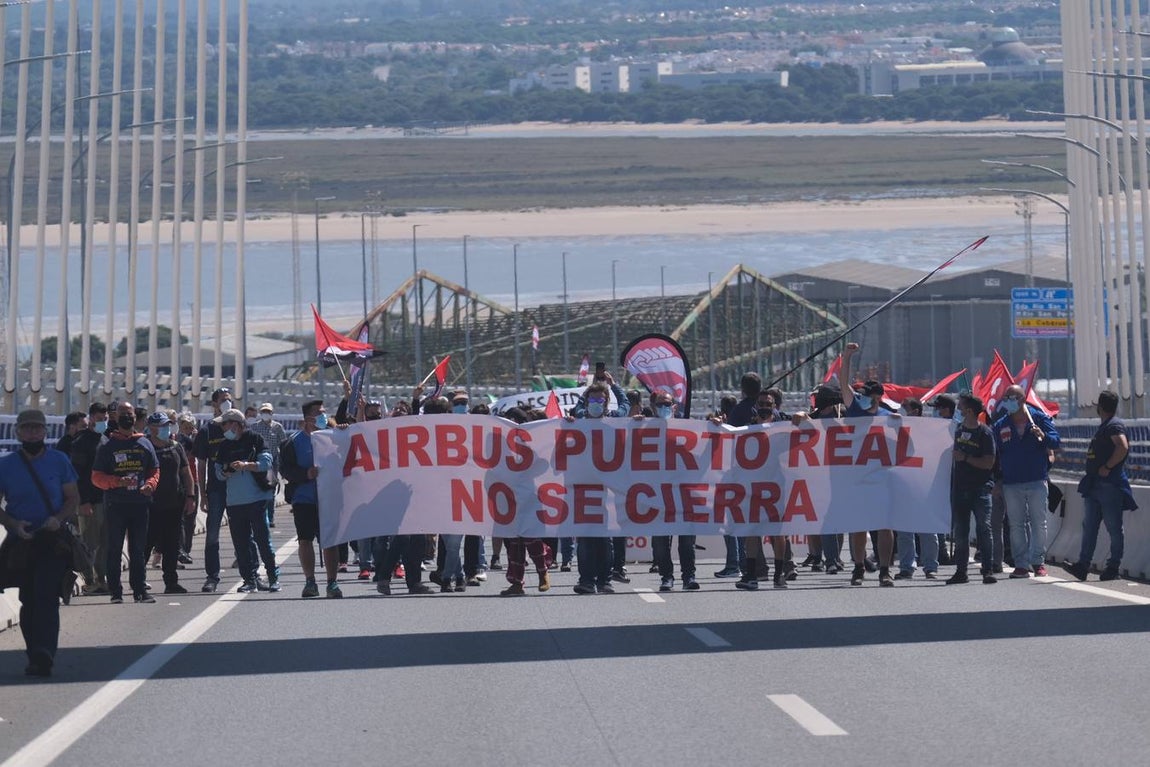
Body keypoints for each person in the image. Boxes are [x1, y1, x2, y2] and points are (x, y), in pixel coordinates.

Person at [0, 409, 80, 677]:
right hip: (21, 542)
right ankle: (34, 652)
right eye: (27, 428)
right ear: (18, 432)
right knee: (28, 598)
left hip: (52, 540)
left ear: (45, 431)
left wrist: (58, 519)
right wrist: (13, 524)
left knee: (46, 595)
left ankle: (45, 652)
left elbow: (73, 498)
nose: (32, 433)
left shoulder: (59, 461)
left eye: (37, 428)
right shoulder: (6, 465)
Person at [839, 342, 896, 587]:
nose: (861, 397)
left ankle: (885, 570)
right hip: (857, 477)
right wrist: (847, 357)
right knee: (859, 526)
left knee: (884, 525)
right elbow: (843, 384)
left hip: (882, 479)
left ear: (877, 397)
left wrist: (899, 426)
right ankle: (859, 566)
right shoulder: (854, 410)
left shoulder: (889, 417)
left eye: (867, 395)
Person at [1064, 390, 1137, 582]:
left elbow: (1122, 446)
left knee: (1113, 527)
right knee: (1089, 526)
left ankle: (1113, 567)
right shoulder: (1106, 426)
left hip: (1109, 485)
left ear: (1100, 407)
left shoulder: (1114, 425)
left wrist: (1108, 466)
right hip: (1095, 485)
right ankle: (1083, 565)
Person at [91, 402, 160, 604]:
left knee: (138, 550)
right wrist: (116, 482)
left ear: (134, 417)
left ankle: (140, 590)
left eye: (129, 413)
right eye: (122, 413)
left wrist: (150, 484)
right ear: (115, 417)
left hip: (140, 504)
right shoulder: (107, 446)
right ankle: (116, 592)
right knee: (114, 549)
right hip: (115, 505)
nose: (126, 417)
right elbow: (96, 477)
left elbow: (154, 470)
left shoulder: (145, 443)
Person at [992, 384, 1060, 579]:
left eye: (1011, 397)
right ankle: (1021, 564)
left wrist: (1043, 436)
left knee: (1039, 523)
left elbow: (1055, 441)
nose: (1007, 401)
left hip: (1037, 480)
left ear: (1022, 399)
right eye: (1006, 397)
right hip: (1011, 482)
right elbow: (996, 454)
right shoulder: (1001, 424)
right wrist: (997, 481)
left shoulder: (1038, 418)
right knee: (1016, 524)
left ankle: (1038, 562)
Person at [282, 399, 345, 598]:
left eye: (324, 412)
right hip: (304, 499)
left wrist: (346, 431)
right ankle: (310, 581)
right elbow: (285, 469)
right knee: (305, 540)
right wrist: (305, 474)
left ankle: (332, 583)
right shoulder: (292, 442)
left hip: (329, 498)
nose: (323, 416)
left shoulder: (334, 437)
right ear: (308, 418)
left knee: (330, 541)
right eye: (319, 413)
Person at [195, 387, 255, 593]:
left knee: (245, 534)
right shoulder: (207, 431)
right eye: (222, 400)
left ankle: (252, 575)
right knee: (212, 535)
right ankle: (212, 576)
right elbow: (201, 465)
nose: (226, 403)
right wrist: (203, 495)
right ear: (214, 404)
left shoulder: (240, 427)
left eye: (228, 399)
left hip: (239, 490)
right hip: (216, 489)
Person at [214, 409, 279, 593]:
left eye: (225, 424)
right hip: (234, 502)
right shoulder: (224, 445)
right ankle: (249, 580)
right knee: (241, 544)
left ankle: (273, 577)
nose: (223, 428)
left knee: (263, 540)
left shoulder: (255, 439)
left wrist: (246, 465)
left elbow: (266, 462)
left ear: (235, 424)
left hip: (257, 498)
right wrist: (226, 471)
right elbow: (218, 473)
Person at [569, 378, 624, 595]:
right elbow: (576, 409)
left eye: (600, 400)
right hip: (584, 488)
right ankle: (586, 580)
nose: (595, 404)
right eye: (592, 400)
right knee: (585, 538)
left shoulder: (616, 420)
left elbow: (625, 404)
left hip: (607, 489)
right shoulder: (579, 419)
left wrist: (614, 385)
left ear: (606, 402)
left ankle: (604, 580)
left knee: (604, 539)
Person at [646, 389, 699, 591]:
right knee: (660, 542)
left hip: (683, 494)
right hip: (657, 494)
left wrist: (716, 425)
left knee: (686, 541)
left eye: (667, 404)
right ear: (653, 407)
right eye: (660, 404)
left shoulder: (688, 428)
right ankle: (666, 577)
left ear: (674, 407)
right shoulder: (643, 429)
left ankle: (689, 577)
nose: (664, 408)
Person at [945, 393, 998, 585]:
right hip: (960, 488)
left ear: (968, 411)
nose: (957, 410)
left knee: (984, 528)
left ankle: (988, 570)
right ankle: (961, 571)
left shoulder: (985, 433)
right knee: (961, 531)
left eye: (960, 407)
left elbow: (989, 462)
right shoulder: (956, 431)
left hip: (980, 488)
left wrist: (966, 458)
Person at [143, 412, 196, 594]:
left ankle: (171, 582)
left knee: (172, 545)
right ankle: (139, 581)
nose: (166, 429)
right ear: (152, 428)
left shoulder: (175, 446)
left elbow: (186, 473)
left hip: (174, 504)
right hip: (151, 505)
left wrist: (191, 497)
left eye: (167, 425)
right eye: (162, 426)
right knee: (146, 544)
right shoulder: (144, 447)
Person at [66, 402, 110, 595]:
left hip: (105, 499)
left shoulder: (105, 440)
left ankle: (101, 579)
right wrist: (83, 501)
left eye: (105, 419)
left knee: (104, 543)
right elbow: (76, 475)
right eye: (99, 419)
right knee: (89, 544)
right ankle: (90, 581)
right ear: (91, 418)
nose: (103, 422)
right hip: (89, 501)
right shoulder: (81, 443)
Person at [895, 396, 939, 580]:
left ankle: (930, 566)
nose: (901, 409)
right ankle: (906, 567)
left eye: (905, 406)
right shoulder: (896, 430)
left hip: (924, 484)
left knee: (927, 528)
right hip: (902, 484)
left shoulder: (930, 430)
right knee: (904, 530)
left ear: (915, 411)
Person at [249, 402, 287, 529]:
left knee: (270, 490)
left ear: (272, 413)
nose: (266, 414)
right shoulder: (255, 427)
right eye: (263, 412)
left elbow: (283, 444)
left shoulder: (277, 427)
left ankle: (270, 518)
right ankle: (259, 517)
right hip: (258, 463)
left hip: (273, 463)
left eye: (268, 412)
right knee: (258, 489)